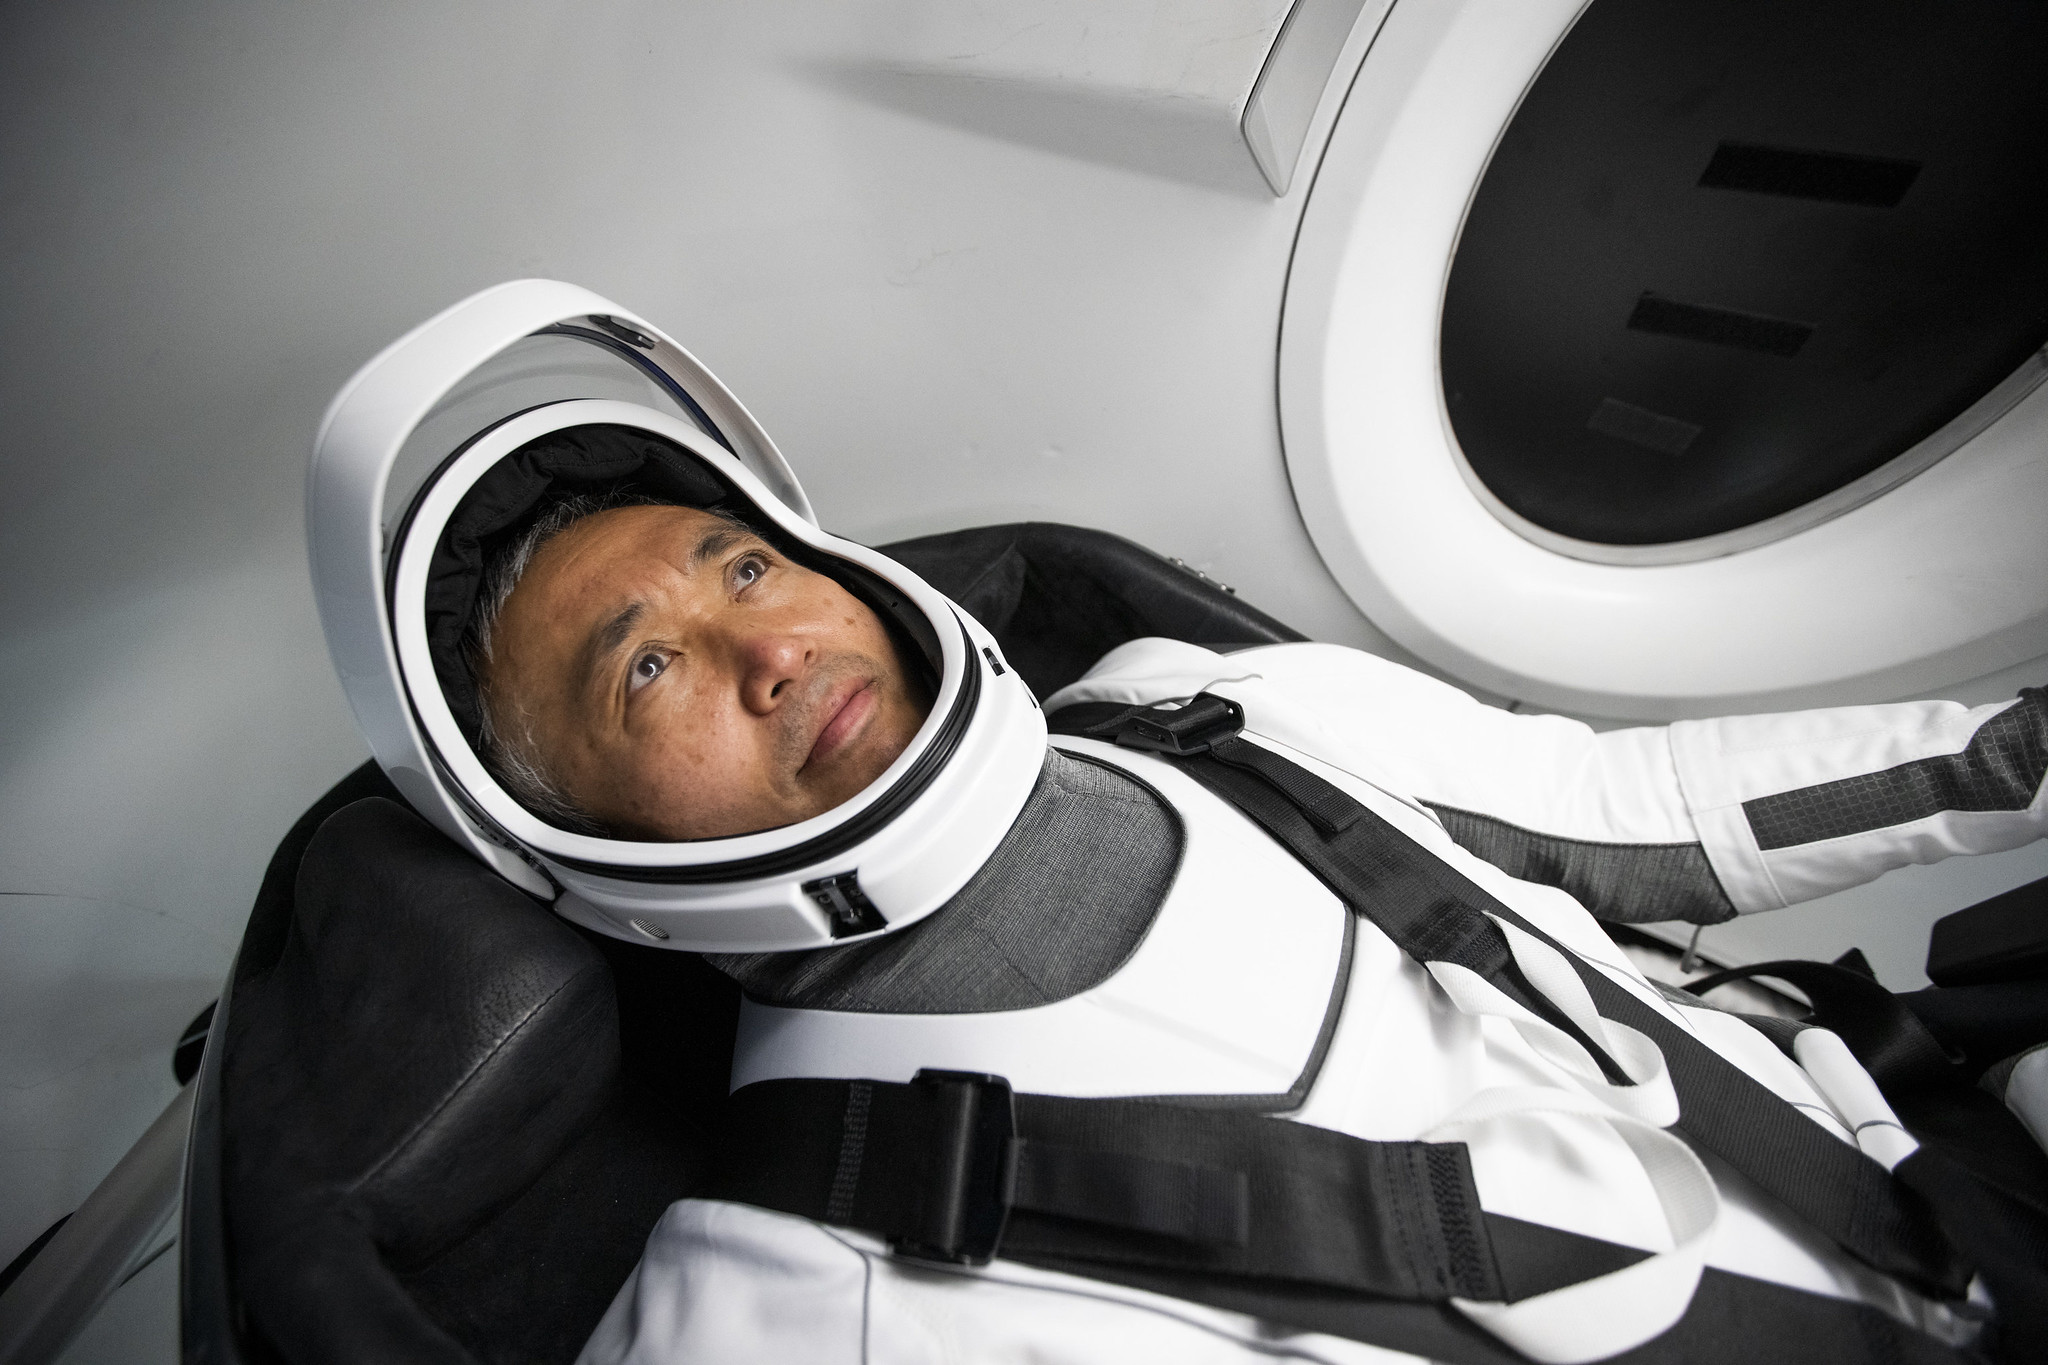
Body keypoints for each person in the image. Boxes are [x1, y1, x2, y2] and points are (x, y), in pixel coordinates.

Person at [311, 282, 2048, 1365]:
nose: (771, 644)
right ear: (581, 864)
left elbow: (1621, 817)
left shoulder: (1189, 702)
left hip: (1934, 1164)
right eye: (645, 676)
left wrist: (2012, 752)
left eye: (742, 561)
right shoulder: (785, 1303)